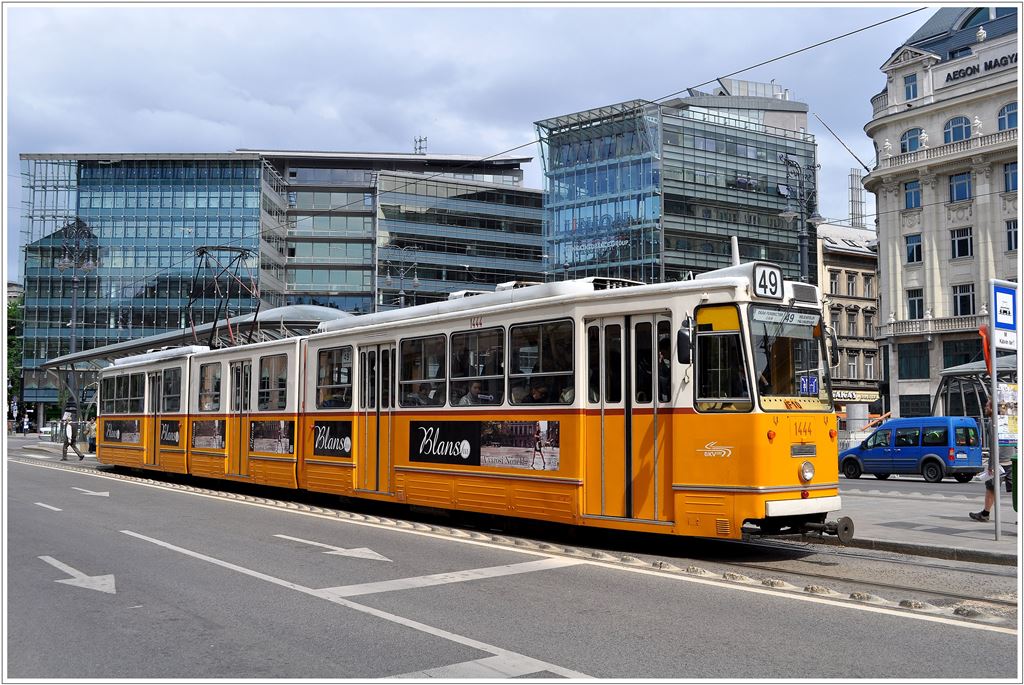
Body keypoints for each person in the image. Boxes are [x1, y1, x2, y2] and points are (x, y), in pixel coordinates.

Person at [970, 399, 1006, 522]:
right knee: (1015, 490)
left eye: (987, 406)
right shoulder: (1006, 420)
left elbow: (993, 446)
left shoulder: (992, 423)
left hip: (999, 462)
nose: (985, 408)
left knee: (991, 487)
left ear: (992, 408)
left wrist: (991, 466)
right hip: (1011, 460)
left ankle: (985, 514)